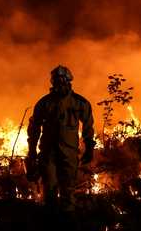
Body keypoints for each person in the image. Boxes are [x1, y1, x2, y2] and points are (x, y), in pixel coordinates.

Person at [27, 65, 95, 214]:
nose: (60, 82)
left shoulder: (80, 103)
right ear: (53, 82)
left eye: (63, 79)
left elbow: (88, 127)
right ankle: (51, 220)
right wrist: (31, 151)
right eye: (57, 79)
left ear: (69, 81)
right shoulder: (44, 103)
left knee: (68, 190)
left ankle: (68, 220)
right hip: (48, 152)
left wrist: (89, 147)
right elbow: (34, 129)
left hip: (69, 153)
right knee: (49, 188)